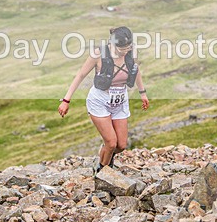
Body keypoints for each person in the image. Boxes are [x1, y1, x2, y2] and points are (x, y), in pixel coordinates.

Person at [58, 26, 149, 174]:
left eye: (128, 48)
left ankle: (106, 152)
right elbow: (80, 75)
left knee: (121, 145)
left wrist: (142, 93)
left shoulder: (131, 53)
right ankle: (102, 172)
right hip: (99, 102)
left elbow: (135, 70)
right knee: (111, 142)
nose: (125, 52)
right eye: (122, 49)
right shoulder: (98, 55)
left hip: (120, 102)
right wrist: (66, 100)